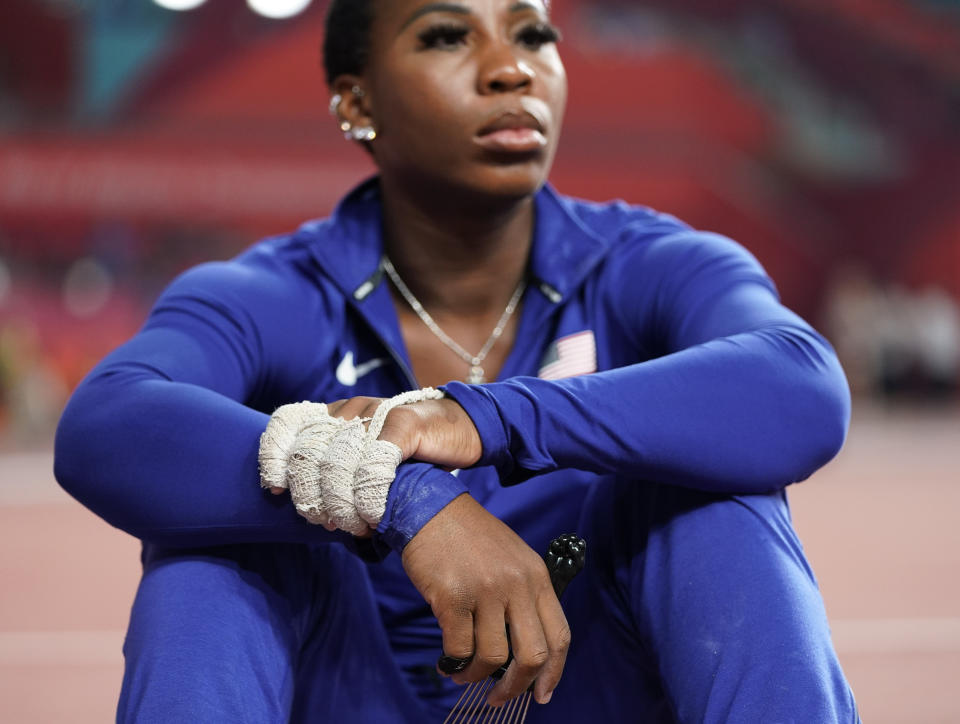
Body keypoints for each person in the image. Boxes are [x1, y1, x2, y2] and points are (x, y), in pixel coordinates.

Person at [54, 0, 861, 721]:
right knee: (218, 546)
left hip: (591, 689)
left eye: (534, 33)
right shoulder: (272, 292)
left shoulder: (648, 263)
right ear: (356, 101)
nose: (512, 69)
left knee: (711, 504)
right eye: (447, 34)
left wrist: (485, 415)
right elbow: (106, 420)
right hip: (353, 696)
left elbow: (800, 384)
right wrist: (401, 499)